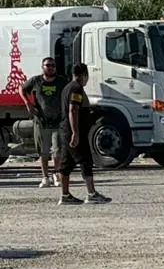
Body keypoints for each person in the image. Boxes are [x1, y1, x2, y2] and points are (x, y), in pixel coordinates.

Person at [58, 63, 110, 206]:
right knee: (85, 160)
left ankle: (65, 195)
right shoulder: (76, 88)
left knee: (66, 164)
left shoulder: (67, 88)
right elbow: (73, 110)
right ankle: (91, 193)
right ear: (84, 75)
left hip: (65, 131)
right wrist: (75, 133)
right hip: (74, 131)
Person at [23, 57, 67, 188]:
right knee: (43, 151)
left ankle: (57, 173)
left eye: (53, 65)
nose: (51, 67)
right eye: (48, 65)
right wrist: (27, 102)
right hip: (42, 121)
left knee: (58, 149)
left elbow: (70, 93)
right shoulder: (36, 81)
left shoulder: (61, 81)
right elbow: (22, 88)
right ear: (43, 67)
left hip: (58, 120)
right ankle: (45, 177)